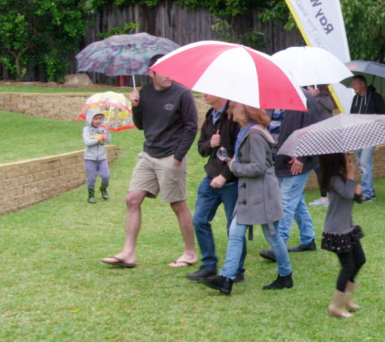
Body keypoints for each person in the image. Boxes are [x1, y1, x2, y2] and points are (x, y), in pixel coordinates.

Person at [103, 55, 198, 269]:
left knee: (177, 204)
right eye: (164, 71)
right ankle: (128, 253)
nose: (170, 75)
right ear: (151, 73)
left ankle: (190, 253)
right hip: (149, 154)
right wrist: (135, 105)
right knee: (132, 199)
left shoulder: (182, 94)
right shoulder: (144, 93)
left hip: (171, 157)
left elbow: (191, 127)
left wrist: (178, 156)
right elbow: (140, 125)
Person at [202, 102, 292, 294]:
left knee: (273, 237)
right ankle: (226, 279)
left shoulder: (255, 135)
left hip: (262, 193)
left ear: (244, 110)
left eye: (233, 108)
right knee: (235, 233)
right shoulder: (246, 132)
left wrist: (234, 167)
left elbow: (258, 167)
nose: (230, 112)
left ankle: (286, 275)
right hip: (250, 193)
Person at [261, 85, 333, 260]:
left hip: (298, 161)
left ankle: (279, 245)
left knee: (286, 201)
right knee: (296, 202)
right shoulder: (276, 97)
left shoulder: (305, 98)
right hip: (280, 160)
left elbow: (312, 131)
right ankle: (308, 240)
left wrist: (301, 156)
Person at [186, 94, 245, 283]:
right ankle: (209, 266)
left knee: (233, 228)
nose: (204, 94)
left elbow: (241, 152)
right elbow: (201, 148)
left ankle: (237, 270)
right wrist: (209, 143)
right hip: (210, 178)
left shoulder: (234, 115)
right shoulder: (211, 115)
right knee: (199, 220)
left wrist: (225, 176)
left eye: (208, 90)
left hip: (232, 181)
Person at [318, 152, 365, 318]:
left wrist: (359, 194)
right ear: (336, 159)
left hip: (347, 227)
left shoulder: (342, 176)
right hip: (337, 230)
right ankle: (336, 306)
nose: (349, 156)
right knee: (348, 267)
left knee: (360, 260)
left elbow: (353, 196)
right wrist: (351, 174)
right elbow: (346, 193)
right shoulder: (333, 179)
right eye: (345, 154)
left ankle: (345, 299)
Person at [350, 75, 385, 202]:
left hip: (370, 136)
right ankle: (366, 190)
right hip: (357, 135)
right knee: (360, 164)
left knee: (365, 162)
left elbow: (384, 115)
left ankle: (368, 193)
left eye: (355, 84)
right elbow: (352, 115)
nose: (353, 86)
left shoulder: (375, 98)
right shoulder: (355, 98)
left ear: (363, 85)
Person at [308, 85, 337, 208]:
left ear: (316, 89)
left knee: (321, 168)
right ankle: (325, 197)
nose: (307, 91)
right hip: (327, 139)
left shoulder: (316, 103)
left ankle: (327, 197)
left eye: (309, 89)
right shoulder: (325, 100)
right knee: (323, 168)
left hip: (321, 139)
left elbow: (312, 120)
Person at [82, 109, 111, 204]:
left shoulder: (102, 129)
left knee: (106, 176)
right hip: (90, 158)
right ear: (90, 119)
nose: (98, 121)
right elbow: (87, 142)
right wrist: (98, 138)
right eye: (95, 119)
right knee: (91, 178)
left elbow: (108, 140)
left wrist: (107, 131)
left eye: (99, 119)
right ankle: (91, 195)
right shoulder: (86, 130)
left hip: (102, 158)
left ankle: (103, 189)